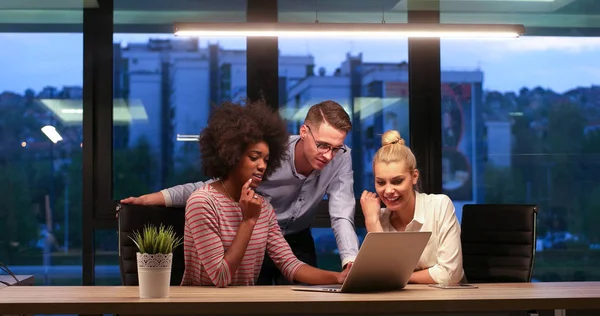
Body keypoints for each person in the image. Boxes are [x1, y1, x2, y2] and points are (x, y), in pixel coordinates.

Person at [121, 100, 359, 285]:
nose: (263, 166)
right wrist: (149, 199)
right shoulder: (205, 202)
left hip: (268, 261)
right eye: (254, 158)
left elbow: (293, 262)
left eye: (266, 160)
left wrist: (341, 274)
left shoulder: (263, 207)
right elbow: (221, 276)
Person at [359, 130, 464, 285]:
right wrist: (373, 222)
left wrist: (396, 277)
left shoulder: (440, 206)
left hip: (443, 304)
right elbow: (376, 278)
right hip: (396, 305)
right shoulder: (378, 218)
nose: (388, 190)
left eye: (397, 181)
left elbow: (450, 274)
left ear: (414, 176)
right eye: (381, 182)